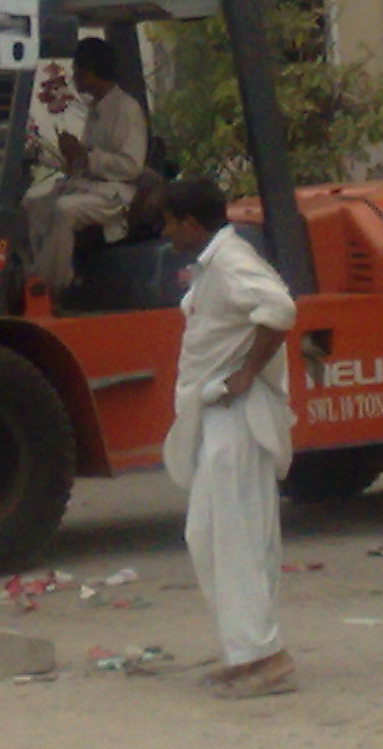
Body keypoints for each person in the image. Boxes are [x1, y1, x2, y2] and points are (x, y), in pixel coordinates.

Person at [161, 176, 299, 699]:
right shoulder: (213, 263)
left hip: (238, 416)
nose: (168, 233)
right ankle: (245, 654)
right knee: (209, 536)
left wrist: (245, 373)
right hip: (215, 416)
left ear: (192, 223)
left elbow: (279, 310)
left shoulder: (232, 260)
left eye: (171, 222)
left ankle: (267, 657)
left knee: (237, 538)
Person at [20, 37, 151, 301]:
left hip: (117, 194)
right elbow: (84, 160)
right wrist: (68, 155)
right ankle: (31, 272)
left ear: (92, 71)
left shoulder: (126, 109)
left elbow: (131, 166)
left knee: (65, 210)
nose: (74, 77)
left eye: (77, 70)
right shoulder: (95, 109)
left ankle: (51, 285)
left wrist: (86, 155)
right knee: (31, 203)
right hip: (91, 185)